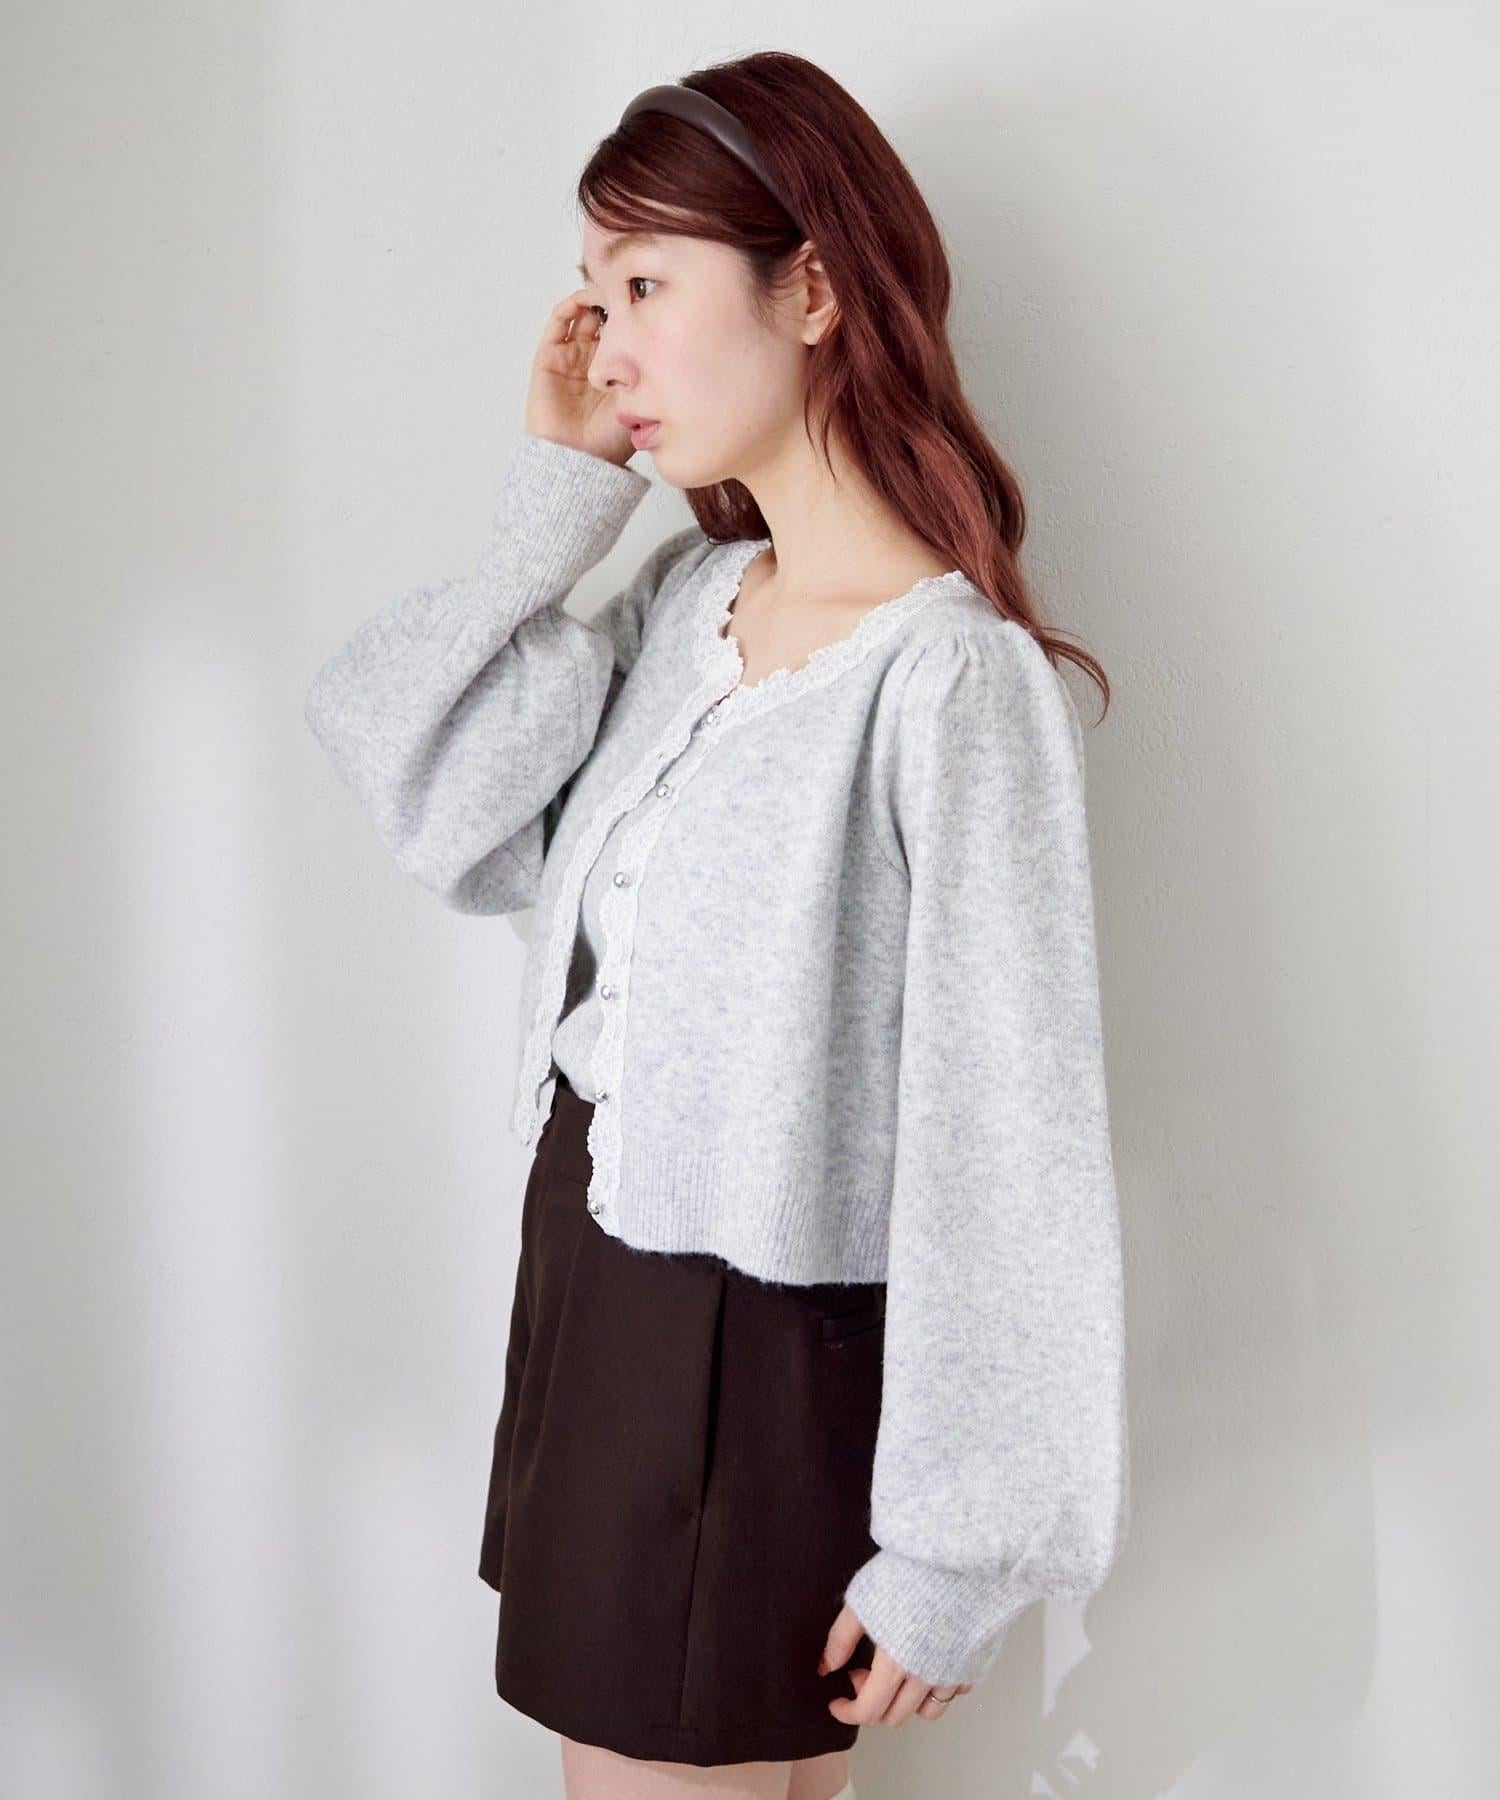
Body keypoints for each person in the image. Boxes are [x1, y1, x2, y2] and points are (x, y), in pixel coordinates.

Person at [304, 50, 1128, 1800]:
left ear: (811, 289)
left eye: (647, 285)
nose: (604, 348)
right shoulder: (686, 605)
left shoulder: (949, 685)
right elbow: (423, 783)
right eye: (593, 294)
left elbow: (1011, 1142)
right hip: (596, 1289)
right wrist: (557, 497)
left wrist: (961, 1546)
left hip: (748, 1358)